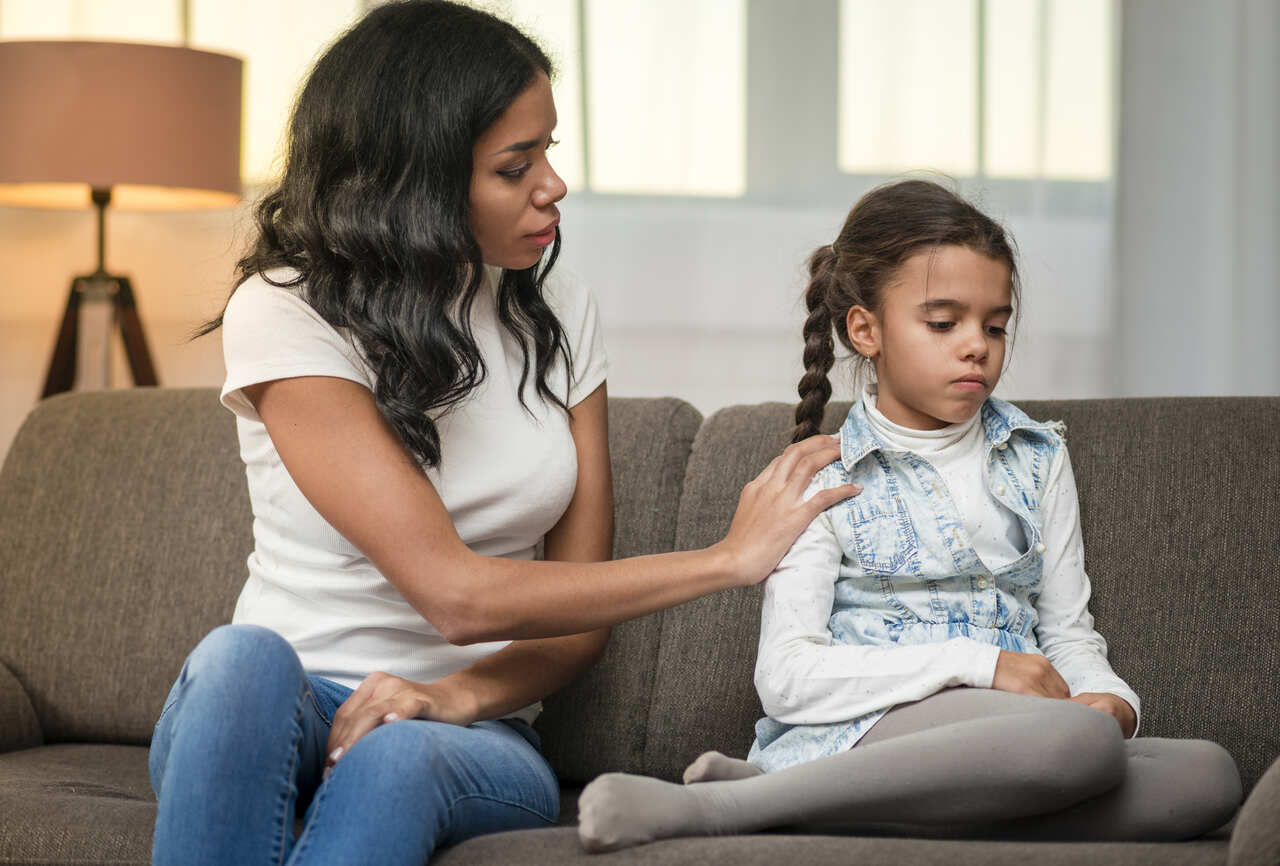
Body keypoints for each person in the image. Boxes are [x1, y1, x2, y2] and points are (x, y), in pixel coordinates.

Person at [146, 3, 856, 865]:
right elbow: (456, 596)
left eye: (548, 151)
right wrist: (725, 560)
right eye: (515, 166)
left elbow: (574, 622)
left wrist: (452, 698)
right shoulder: (287, 308)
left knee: (399, 752)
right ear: (416, 182)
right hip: (277, 710)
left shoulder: (557, 311)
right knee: (238, 661)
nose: (552, 184)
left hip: (472, 732)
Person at [575, 179, 1243, 852]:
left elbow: (1069, 633)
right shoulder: (821, 475)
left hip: (1030, 737)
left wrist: (1110, 699)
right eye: (943, 322)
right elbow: (786, 680)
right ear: (866, 329)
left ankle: (828, 804)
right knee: (1076, 741)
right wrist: (980, 665)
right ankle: (730, 808)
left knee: (1204, 775)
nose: (976, 345)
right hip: (876, 726)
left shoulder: (1040, 458)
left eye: (995, 324)